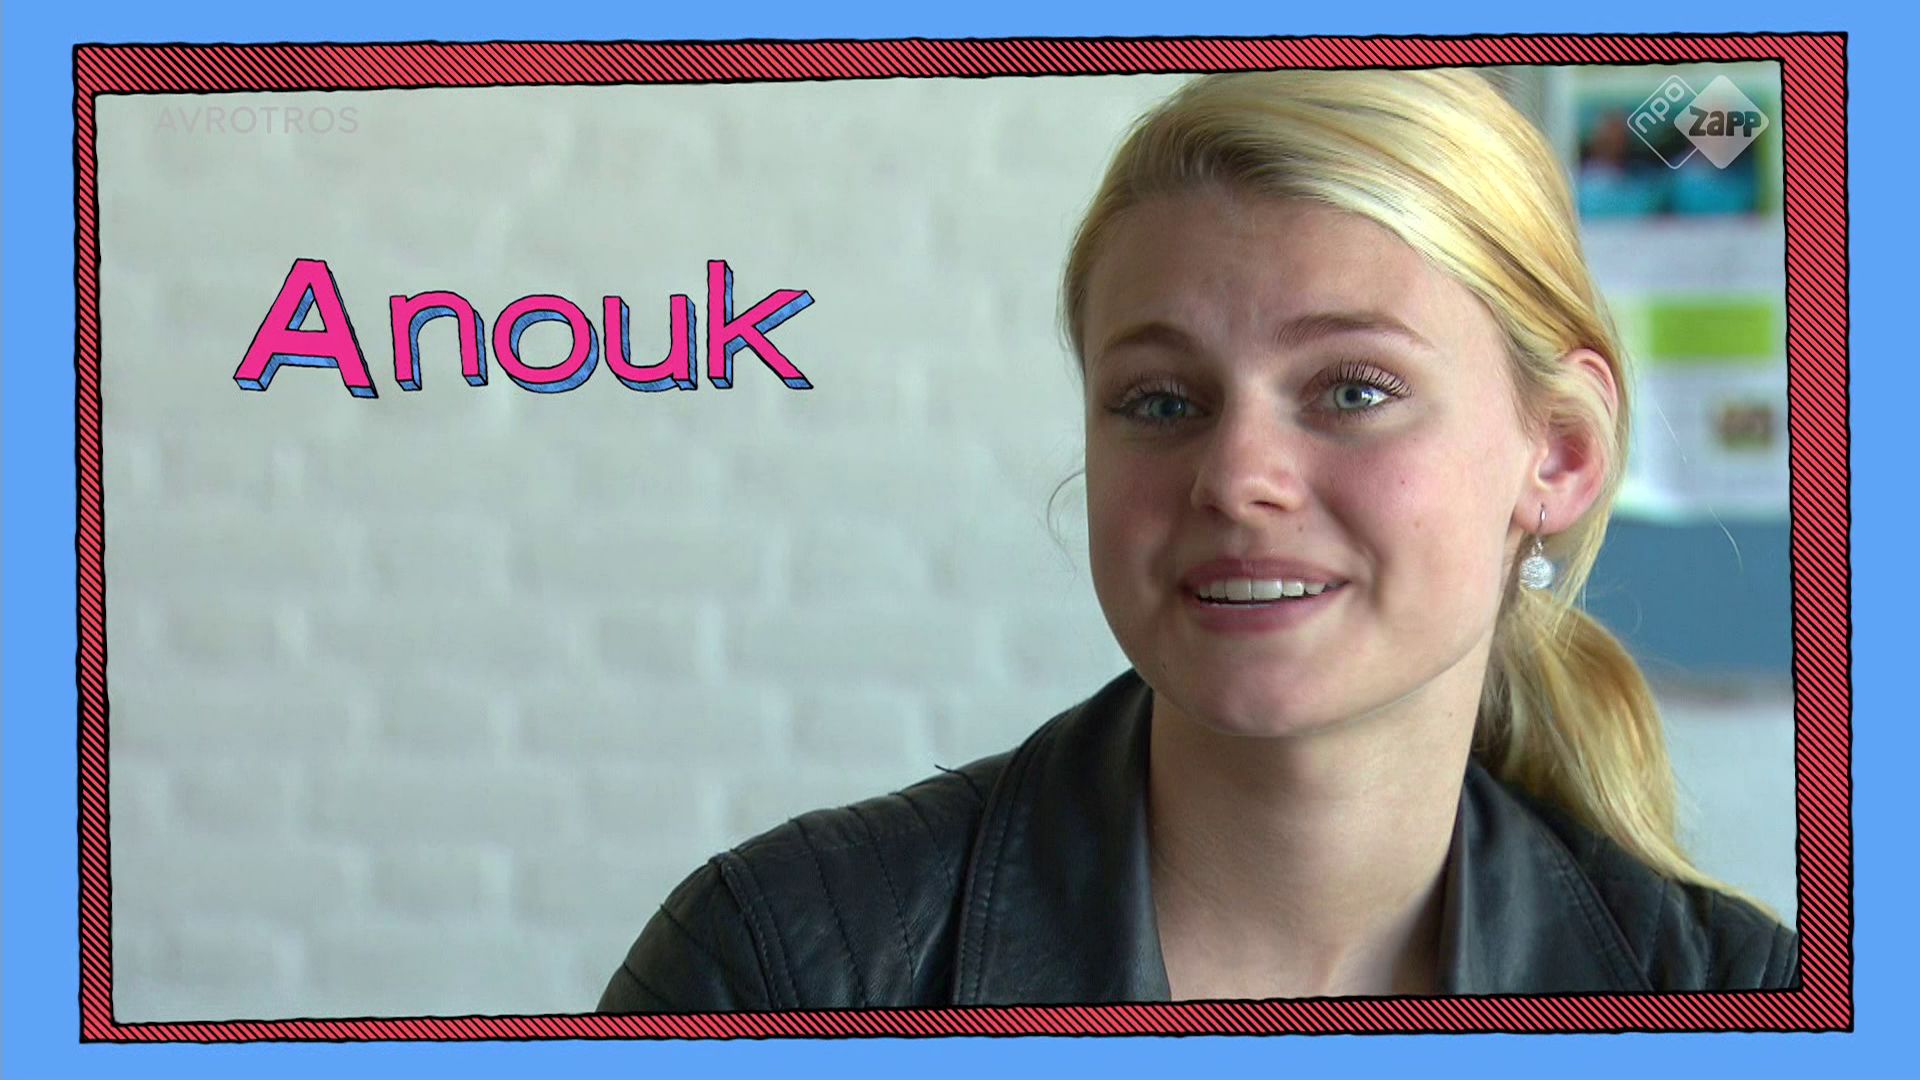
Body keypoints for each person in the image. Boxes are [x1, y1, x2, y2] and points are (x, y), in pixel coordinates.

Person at [597, 68, 1800, 1012]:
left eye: (1353, 389)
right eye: (1163, 401)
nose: (1235, 479)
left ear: (1561, 454)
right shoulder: (780, 968)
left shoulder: (1739, 1001)